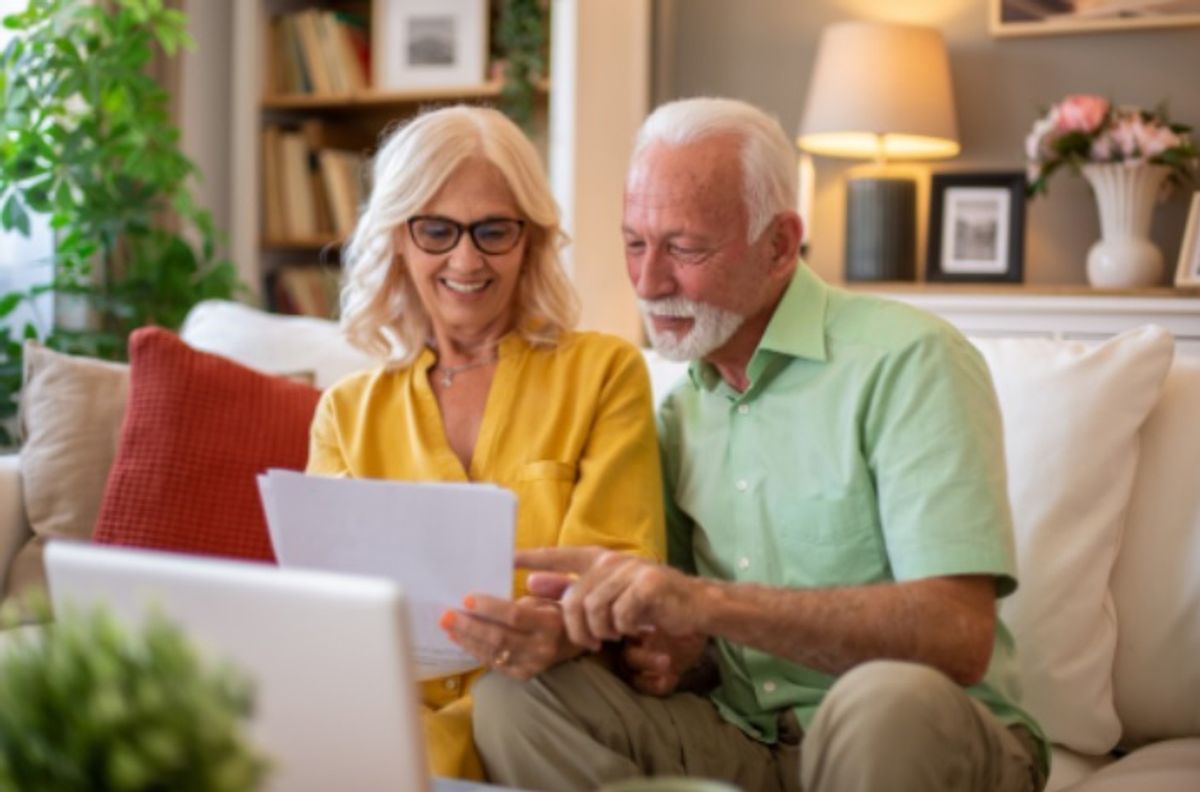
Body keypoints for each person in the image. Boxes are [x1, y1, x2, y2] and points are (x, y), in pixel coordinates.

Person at [471, 97, 1049, 792]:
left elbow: (958, 635)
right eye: (634, 242)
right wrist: (666, 646)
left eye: (684, 247)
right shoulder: (679, 412)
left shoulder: (908, 359)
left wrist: (708, 604)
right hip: (749, 742)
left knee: (880, 701)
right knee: (514, 702)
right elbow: (694, 641)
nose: (649, 283)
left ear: (779, 244)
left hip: (917, 736)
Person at [305, 106, 665, 780]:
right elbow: (328, 608)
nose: (465, 260)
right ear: (399, 240)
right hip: (382, 719)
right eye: (437, 231)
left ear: (529, 239)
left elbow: (623, 571)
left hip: (536, 712)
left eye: (493, 231)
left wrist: (559, 627)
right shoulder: (345, 413)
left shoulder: (603, 373)